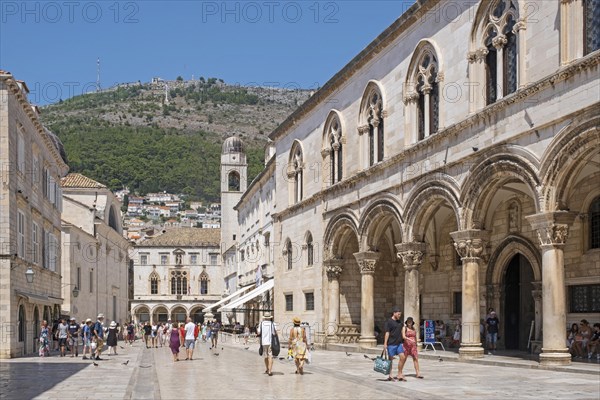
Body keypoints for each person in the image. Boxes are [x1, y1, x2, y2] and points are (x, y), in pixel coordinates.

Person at [383, 307, 404, 381]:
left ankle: (399, 373)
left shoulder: (400, 322)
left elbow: (402, 331)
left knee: (402, 357)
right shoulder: (388, 322)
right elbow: (387, 332)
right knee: (390, 360)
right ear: (394, 313)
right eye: (398, 314)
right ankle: (390, 375)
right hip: (391, 343)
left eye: (400, 314)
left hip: (399, 343)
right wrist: (385, 343)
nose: (399, 316)